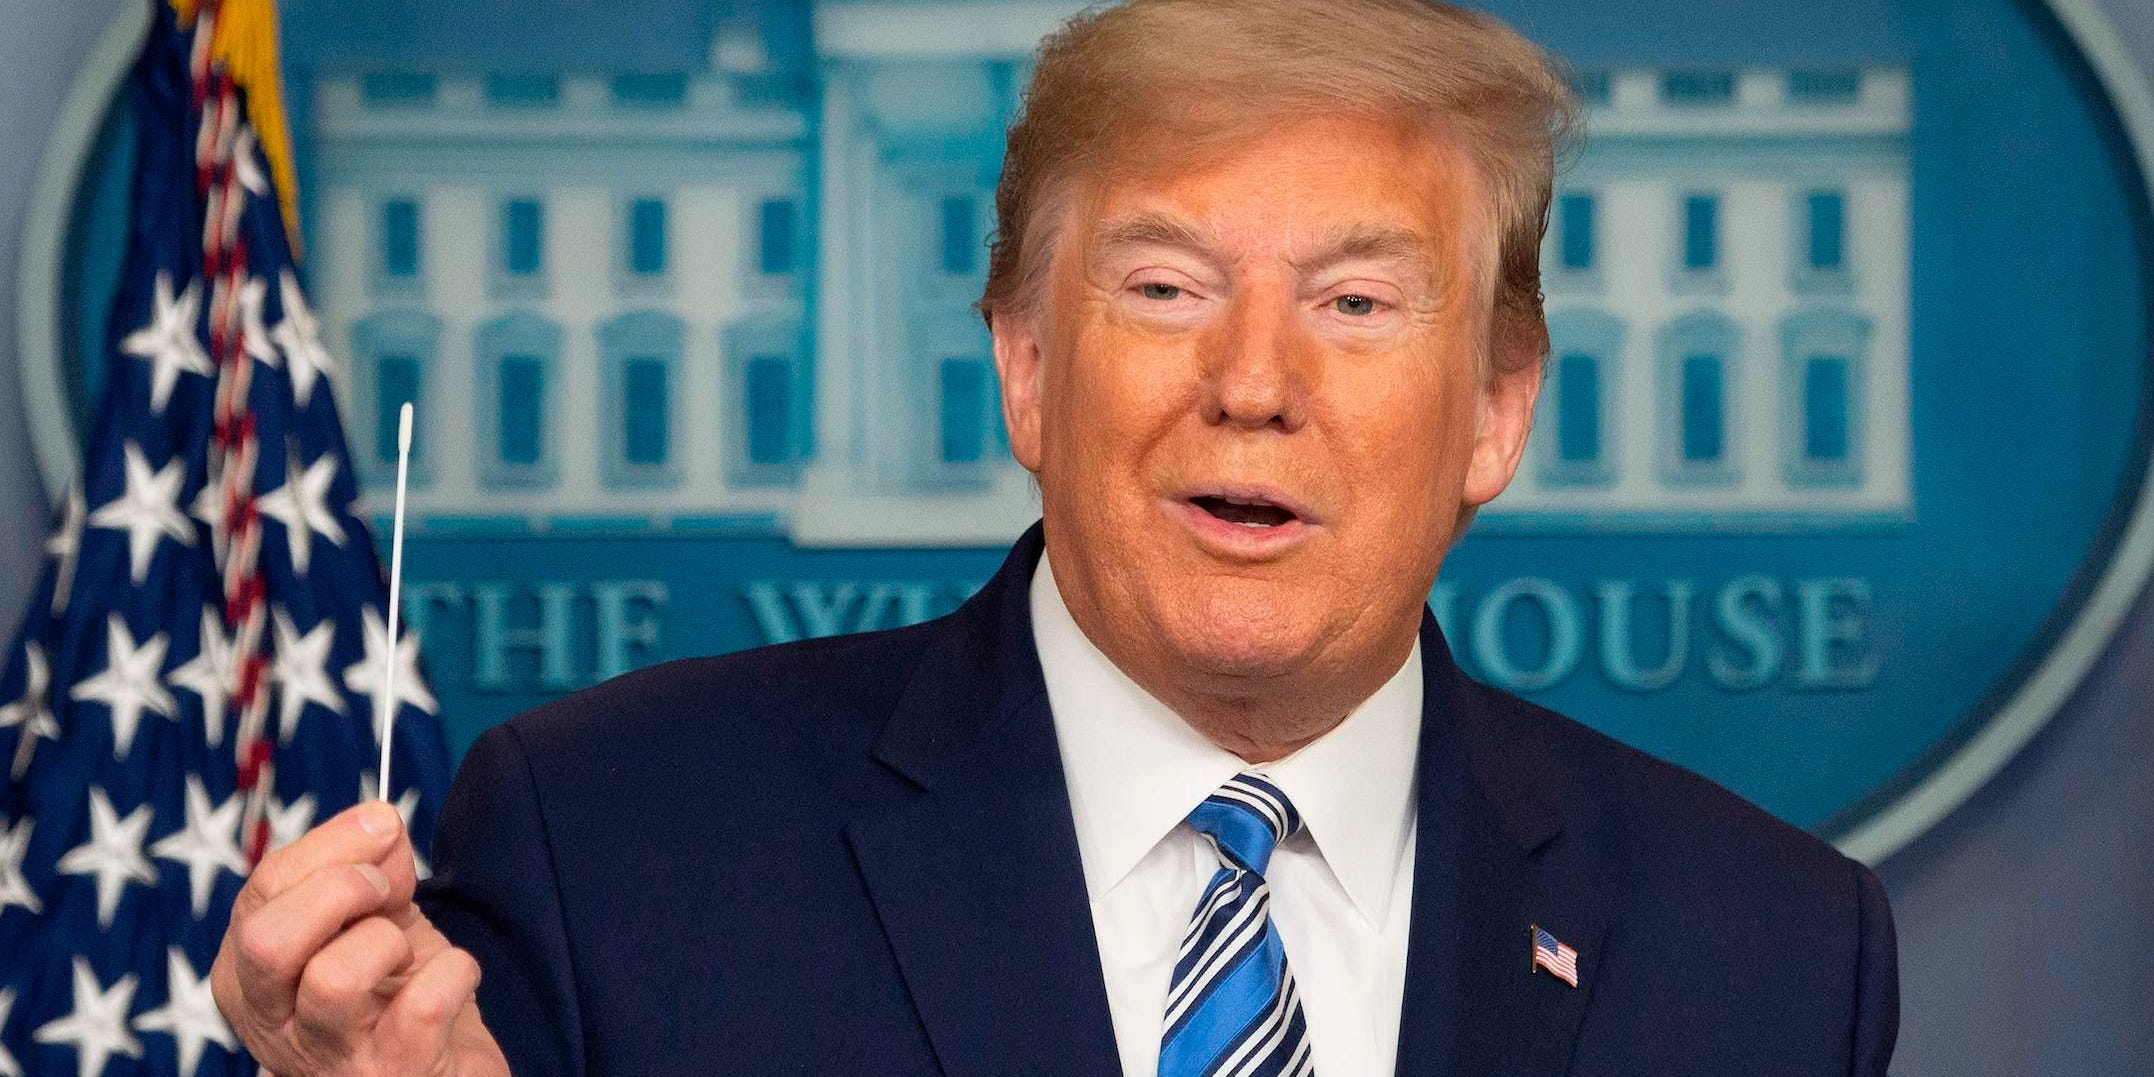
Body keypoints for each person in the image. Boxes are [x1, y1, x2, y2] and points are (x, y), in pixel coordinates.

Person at [209, 0, 1900, 1073]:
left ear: (1493, 410)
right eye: (1163, 289)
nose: (1253, 381)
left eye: (1357, 300)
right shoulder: (615, 849)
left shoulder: (1764, 947)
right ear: (1026, 364)